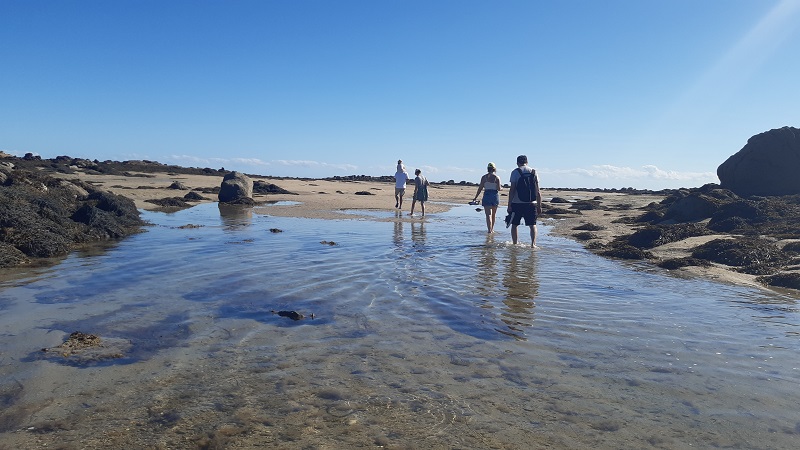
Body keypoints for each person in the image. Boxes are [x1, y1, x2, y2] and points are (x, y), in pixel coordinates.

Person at [507, 155, 542, 247]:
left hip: (517, 203)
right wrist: (539, 206)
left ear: (517, 163)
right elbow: (538, 191)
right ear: (527, 162)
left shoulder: (515, 172)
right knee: (533, 225)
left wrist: (509, 205)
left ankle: (515, 244)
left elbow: (512, 190)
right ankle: (533, 244)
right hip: (531, 203)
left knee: (514, 224)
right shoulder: (534, 172)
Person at [472, 162, 503, 233]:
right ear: (494, 169)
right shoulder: (497, 178)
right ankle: (492, 229)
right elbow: (498, 188)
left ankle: (489, 230)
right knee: (493, 214)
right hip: (495, 195)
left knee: (488, 214)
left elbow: (480, 188)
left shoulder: (484, 177)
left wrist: (475, 197)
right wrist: (502, 188)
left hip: (487, 195)